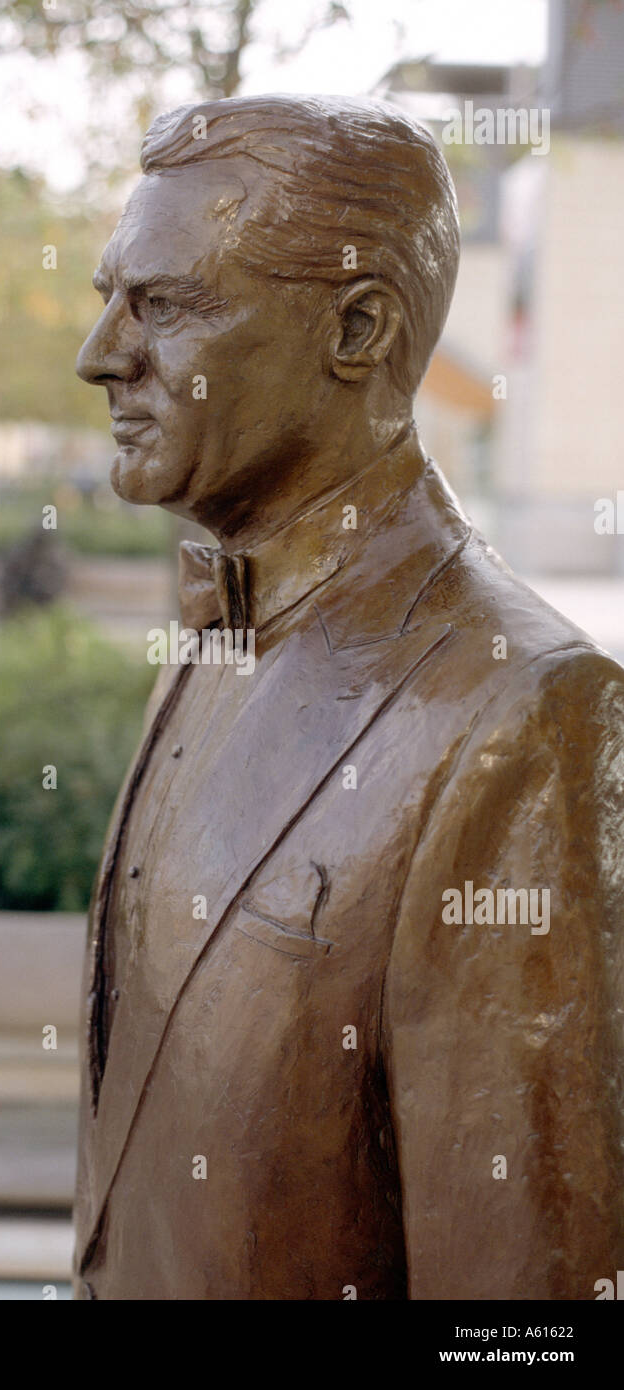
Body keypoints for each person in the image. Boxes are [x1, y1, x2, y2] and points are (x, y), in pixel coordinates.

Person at [71, 94, 624, 1300]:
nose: (103, 352)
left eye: (166, 304)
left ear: (358, 328)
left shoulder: (524, 714)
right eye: (112, 296)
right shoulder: (218, 616)